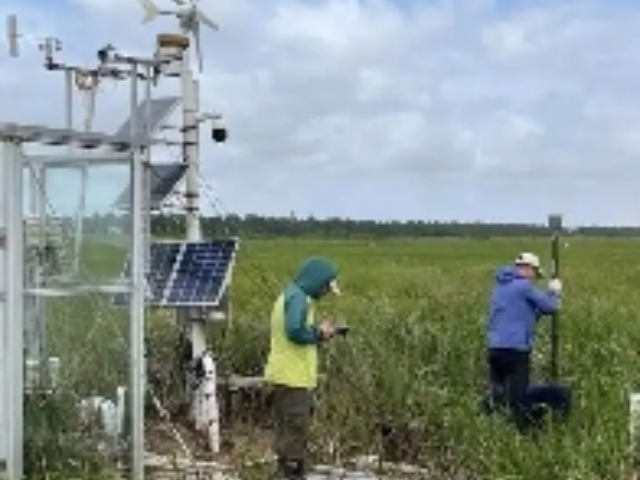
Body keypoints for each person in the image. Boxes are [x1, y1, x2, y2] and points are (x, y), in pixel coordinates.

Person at [263, 257, 341, 479]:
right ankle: (292, 474)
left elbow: (294, 329)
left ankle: (284, 471)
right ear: (317, 281)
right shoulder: (299, 298)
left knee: (286, 428)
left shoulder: (291, 294)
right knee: (295, 429)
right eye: (326, 287)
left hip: (285, 374)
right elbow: (295, 332)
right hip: (292, 377)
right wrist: (320, 333)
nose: (325, 292)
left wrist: (316, 331)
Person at [483, 252, 563, 430]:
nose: (534, 278)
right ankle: (521, 434)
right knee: (519, 398)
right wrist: (554, 292)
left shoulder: (500, 286)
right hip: (515, 350)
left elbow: (526, 315)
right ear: (528, 269)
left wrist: (541, 309)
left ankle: (494, 429)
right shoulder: (523, 286)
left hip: (495, 349)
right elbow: (551, 306)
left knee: (498, 395)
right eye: (535, 273)